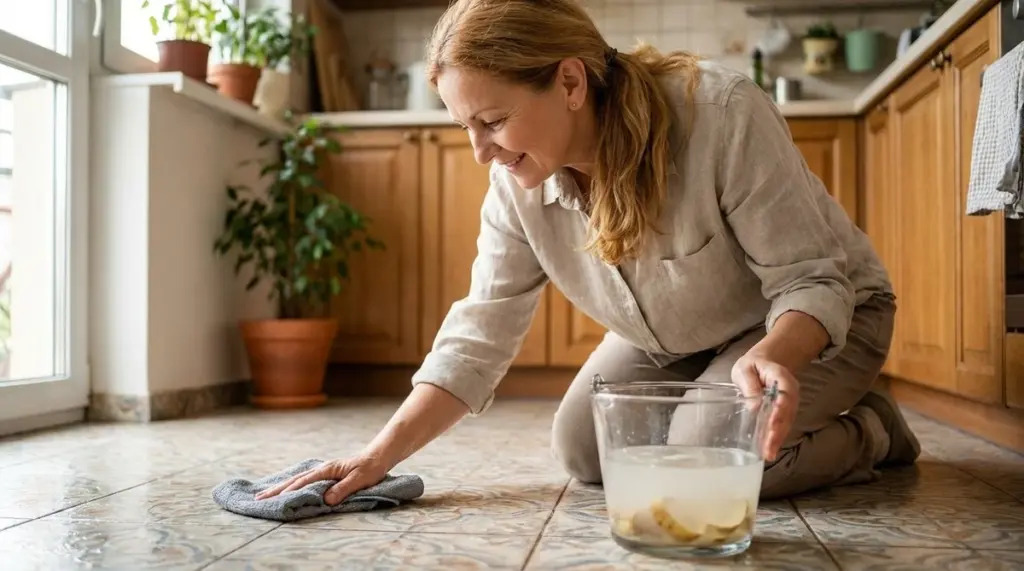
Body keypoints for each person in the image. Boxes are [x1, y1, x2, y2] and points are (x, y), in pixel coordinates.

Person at [257, 0, 920, 506]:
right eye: (466, 128)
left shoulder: (720, 115)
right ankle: (725, 406)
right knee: (584, 446)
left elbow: (811, 280)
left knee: (705, 460)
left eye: (492, 121)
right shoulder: (515, 186)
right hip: (684, 335)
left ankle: (874, 430)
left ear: (570, 83)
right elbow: (478, 332)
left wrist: (773, 356)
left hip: (823, 320)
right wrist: (377, 455)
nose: (481, 151)